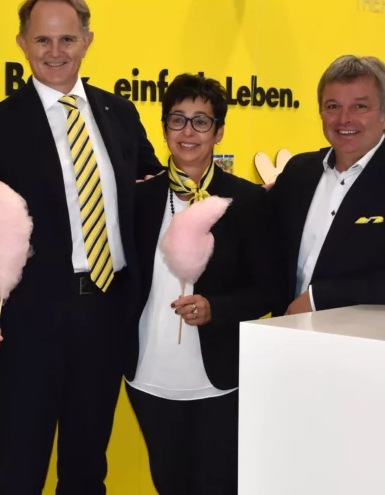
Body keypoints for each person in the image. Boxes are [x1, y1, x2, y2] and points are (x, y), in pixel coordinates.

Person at [0, 0, 163, 495]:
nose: (56, 52)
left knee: (87, 469)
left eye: (67, 39)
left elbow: (155, 195)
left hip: (107, 316)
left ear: (88, 40)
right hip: (28, 324)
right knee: (21, 470)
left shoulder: (120, 114)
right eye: (43, 40)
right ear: (22, 44)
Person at [125, 74, 284, 495]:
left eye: (201, 121)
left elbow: (269, 288)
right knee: (169, 483)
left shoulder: (247, 201)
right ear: (163, 129)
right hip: (149, 374)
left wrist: (217, 308)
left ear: (219, 131)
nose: (188, 132)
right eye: (177, 120)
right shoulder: (140, 199)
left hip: (219, 378)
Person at [270, 55, 385, 314]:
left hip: (364, 345)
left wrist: (318, 298)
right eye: (332, 106)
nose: (344, 119)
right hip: (282, 338)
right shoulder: (298, 172)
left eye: (360, 107)